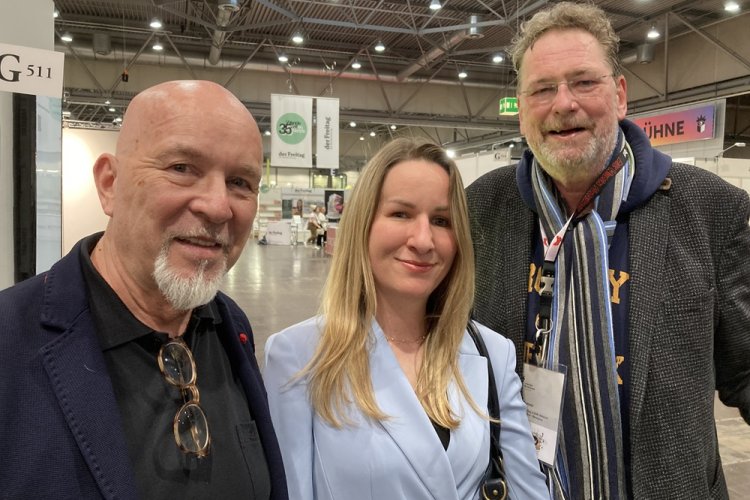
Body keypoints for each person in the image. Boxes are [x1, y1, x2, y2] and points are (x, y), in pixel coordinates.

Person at [466, 3, 750, 499]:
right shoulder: (481, 211)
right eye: (542, 89)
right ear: (521, 107)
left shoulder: (710, 209)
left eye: (584, 82)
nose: (563, 103)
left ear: (619, 95)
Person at [0, 80, 288, 499]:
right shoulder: (10, 338)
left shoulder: (230, 324)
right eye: (182, 168)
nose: (217, 206)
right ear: (110, 184)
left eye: (240, 182)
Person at [264, 138, 549, 500]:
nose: (423, 240)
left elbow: (529, 490)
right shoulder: (298, 357)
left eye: (441, 221)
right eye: (401, 214)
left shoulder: (492, 352)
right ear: (363, 223)